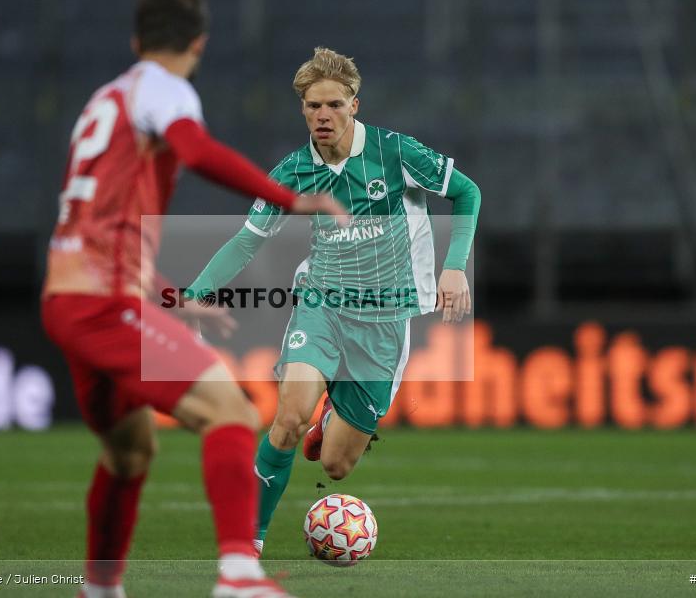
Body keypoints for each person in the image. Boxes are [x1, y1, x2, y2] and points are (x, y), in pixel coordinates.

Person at [40, 0, 346, 596]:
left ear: (135, 41)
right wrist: (292, 201)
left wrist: (171, 297)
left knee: (129, 453)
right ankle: (237, 575)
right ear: (199, 45)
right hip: (104, 303)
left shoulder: (104, 101)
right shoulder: (165, 90)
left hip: (68, 296)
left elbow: (97, 227)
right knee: (230, 412)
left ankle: (99, 588)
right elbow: (198, 151)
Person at [190, 47, 481, 556]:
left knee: (336, 466)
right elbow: (247, 239)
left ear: (354, 105)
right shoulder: (293, 170)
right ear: (302, 107)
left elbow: (467, 192)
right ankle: (248, 541)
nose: (322, 115)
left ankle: (332, 423)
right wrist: (193, 292)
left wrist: (454, 266)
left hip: (386, 318)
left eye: (334, 105)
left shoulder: (395, 153)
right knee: (289, 416)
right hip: (322, 301)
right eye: (312, 106)